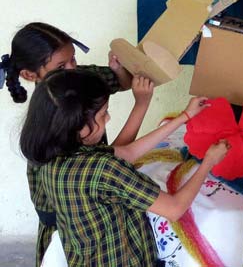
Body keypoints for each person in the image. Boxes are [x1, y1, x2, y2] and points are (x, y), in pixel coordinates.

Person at [19, 68, 230, 267]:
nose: (108, 118)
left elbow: (126, 152)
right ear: (78, 127)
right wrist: (209, 161)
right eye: (103, 115)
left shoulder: (55, 156)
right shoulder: (103, 169)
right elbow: (174, 208)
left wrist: (185, 116)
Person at [0, 22, 155, 266]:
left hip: (95, 199)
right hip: (67, 219)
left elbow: (121, 83)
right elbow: (100, 168)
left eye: (73, 59)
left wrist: (118, 70)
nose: (72, 68)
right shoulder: (47, 127)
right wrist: (142, 105)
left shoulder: (82, 78)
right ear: (30, 75)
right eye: (61, 66)